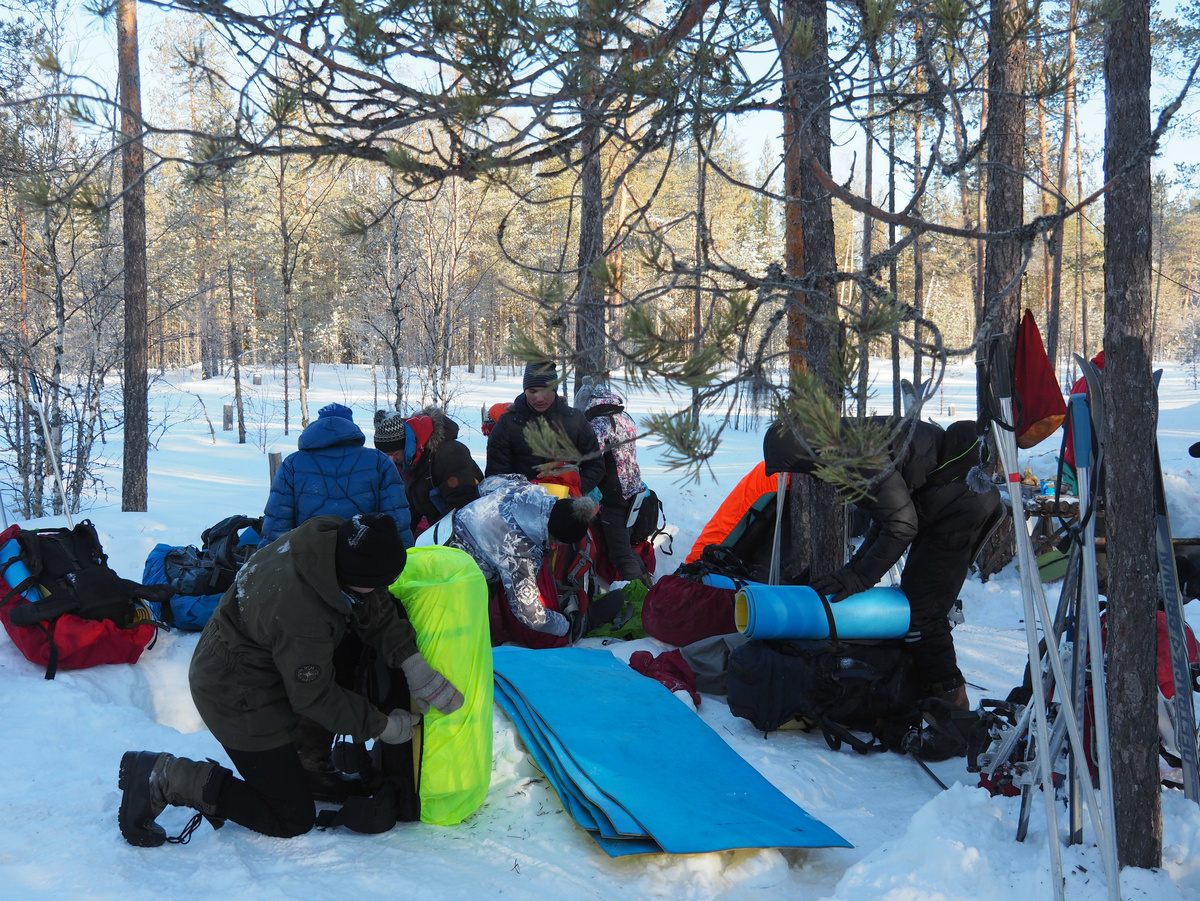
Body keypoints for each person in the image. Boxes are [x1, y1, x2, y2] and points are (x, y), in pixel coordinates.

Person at [118, 513, 464, 847]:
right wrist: (383, 726)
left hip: (265, 659)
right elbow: (315, 697)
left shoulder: (333, 539)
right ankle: (165, 775)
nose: (379, 590)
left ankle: (308, 763)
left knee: (350, 647)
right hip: (234, 693)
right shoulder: (301, 614)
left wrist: (411, 660)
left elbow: (371, 600)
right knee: (290, 818)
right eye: (376, 582)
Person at [765, 417, 1002, 759]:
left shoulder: (857, 455)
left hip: (961, 507)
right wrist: (854, 572)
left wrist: (858, 578)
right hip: (946, 500)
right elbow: (887, 518)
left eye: (801, 468)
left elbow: (902, 525)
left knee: (922, 614)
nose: (806, 475)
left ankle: (954, 713)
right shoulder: (843, 443)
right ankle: (921, 696)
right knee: (913, 609)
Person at [442, 475, 596, 642]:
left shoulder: (524, 488)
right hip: (453, 575)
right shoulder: (520, 552)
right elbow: (529, 614)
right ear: (557, 538)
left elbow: (486, 485)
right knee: (473, 634)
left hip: (442, 533)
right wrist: (567, 626)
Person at [260, 403, 413, 548]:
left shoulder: (292, 464)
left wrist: (269, 564)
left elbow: (277, 525)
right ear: (351, 427)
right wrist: (405, 558)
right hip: (367, 562)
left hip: (309, 562)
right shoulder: (380, 462)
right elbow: (396, 522)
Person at [485, 362, 605, 496]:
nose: (540, 398)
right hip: (521, 507)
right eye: (533, 391)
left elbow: (595, 465)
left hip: (568, 505)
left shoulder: (575, 419)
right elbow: (495, 475)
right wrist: (522, 495)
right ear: (525, 390)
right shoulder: (508, 423)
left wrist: (576, 489)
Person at [575, 382, 654, 584]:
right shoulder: (624, 417)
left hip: (615, 497)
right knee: (623, 546)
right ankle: (645, 580)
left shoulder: (599, 424)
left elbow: (590, 458)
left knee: (620, 553)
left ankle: (641, 597)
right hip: (633, 491)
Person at [374, 407, 483, 534]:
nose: (391, 460)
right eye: (386, 455)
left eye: (394, 453)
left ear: (408, 444)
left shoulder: (449, 455)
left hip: (470, 532)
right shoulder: (408, 462)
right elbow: (410, 510)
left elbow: (461, 507)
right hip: (439, 530)